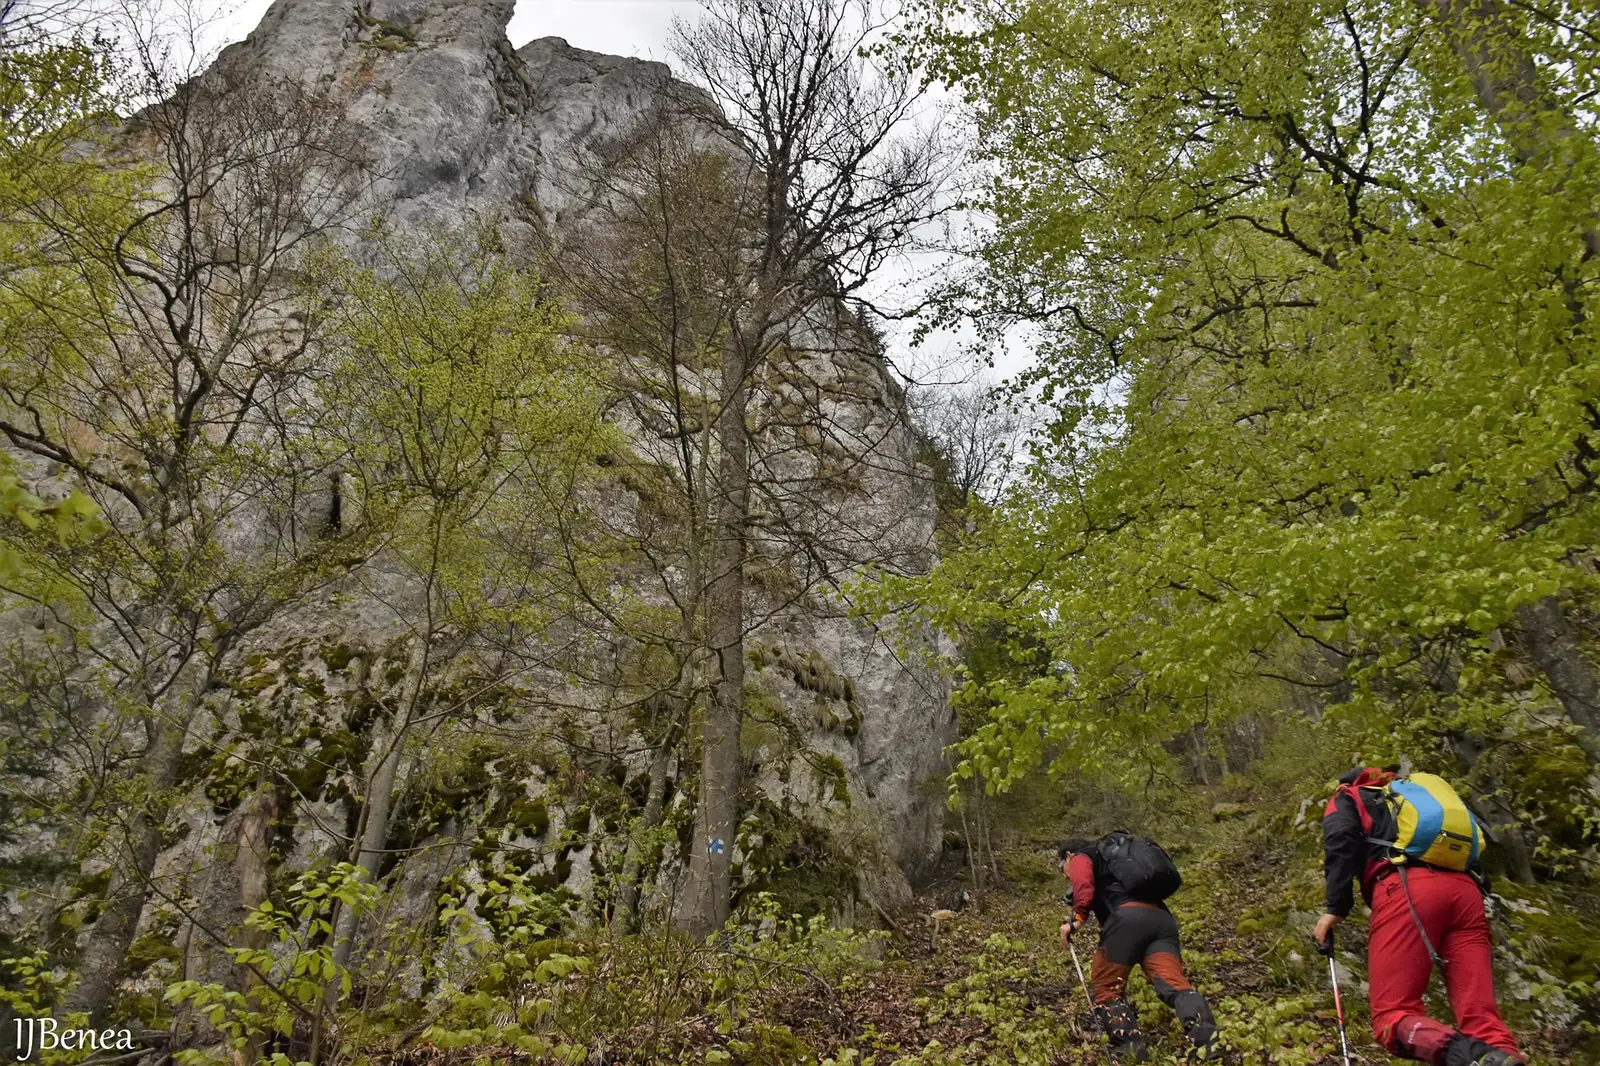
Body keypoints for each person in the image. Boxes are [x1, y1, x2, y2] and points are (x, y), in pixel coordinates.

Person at [1315, 767, 1524, 1066]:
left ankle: (1471, 1057)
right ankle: (1503, 1057)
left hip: (1407, 889)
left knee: (1391, 1015)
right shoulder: (1414, 796)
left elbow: (1340, 839)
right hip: (1467, 892)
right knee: (1481, 1016)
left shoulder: (1349, 795)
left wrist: (1335, 908)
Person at [1059, 834, 1219, 1062]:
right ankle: (1209, 1044)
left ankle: (1131, 1053)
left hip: (1127, 920)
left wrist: (1075, 920)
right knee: (1174, 985)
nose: (1065, 874)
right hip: (1162, 922)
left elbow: (1083, 886)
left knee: (1106, 988)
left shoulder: (1082, 857)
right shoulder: (1115, 865)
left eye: (1061, 867)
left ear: (1068, 856)